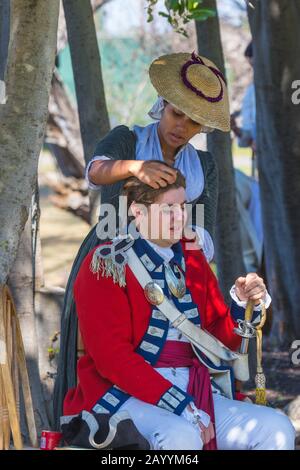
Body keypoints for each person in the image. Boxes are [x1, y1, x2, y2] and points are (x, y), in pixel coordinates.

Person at [53, 51, 233, 424]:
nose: (181, 125)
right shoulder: (128, 138)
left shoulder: (205, 166)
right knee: (103, 352)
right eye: (176, 113)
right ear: (161, 105)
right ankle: (86, 425)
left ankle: (187, 410)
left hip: (175, 267)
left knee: (172, 343)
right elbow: (95, 171)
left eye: (193, 120)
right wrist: (134, 167)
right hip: (112, 266)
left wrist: (174, 231)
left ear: (203, 128)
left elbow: (205, 231)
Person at [62, 167, 295, 450]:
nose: (180, 217)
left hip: (196, 390)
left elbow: (219, 340)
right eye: (168, 208)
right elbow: (112, 358)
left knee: (276, 429)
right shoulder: (108, 265)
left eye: (182, 207)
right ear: (139, 212)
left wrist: (244, 305)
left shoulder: (193, 259)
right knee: (181, 436)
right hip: (124, 395)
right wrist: (181, 405)